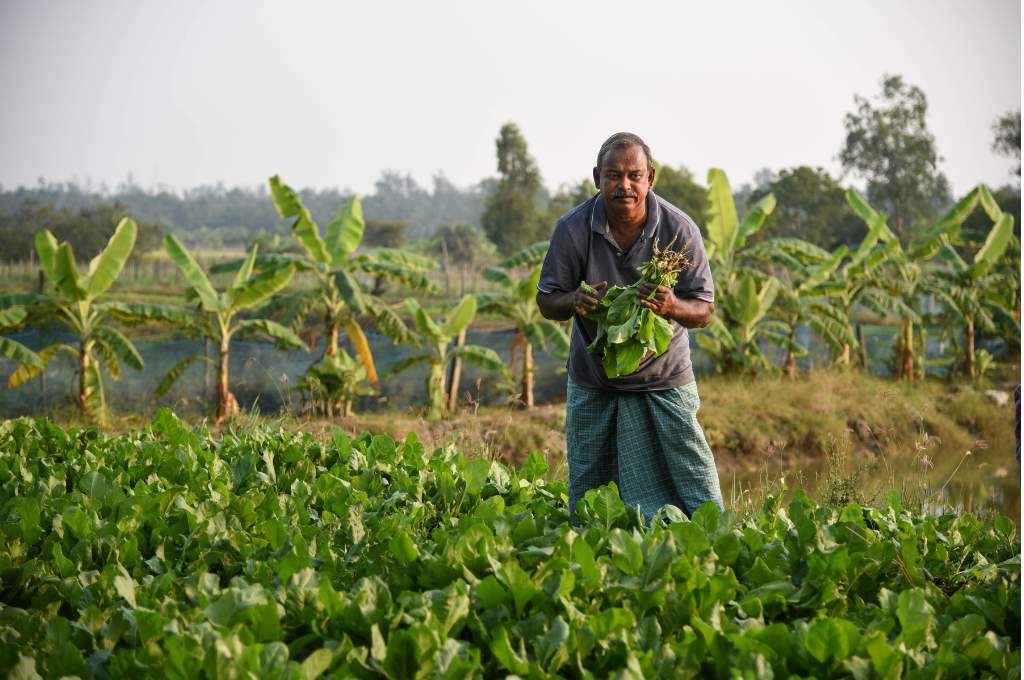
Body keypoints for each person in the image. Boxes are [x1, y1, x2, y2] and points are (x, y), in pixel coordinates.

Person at [536, 131, 723, 521]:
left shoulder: (678, 229)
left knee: (694, 484)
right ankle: (597, 549)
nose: (624, 185)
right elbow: (547, 300)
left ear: (649, 178)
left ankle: (710, 543)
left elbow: (704, 310)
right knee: (590, 492)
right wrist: (574, 301)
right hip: (594, 380)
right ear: (597, 178)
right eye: (613, 175)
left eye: (634, 176)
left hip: (665, 378)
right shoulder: (572, 229)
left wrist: (671, 305)